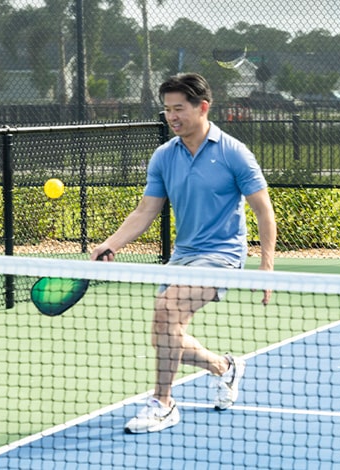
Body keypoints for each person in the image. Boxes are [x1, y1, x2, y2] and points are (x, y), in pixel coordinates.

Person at [92, 72, 277, 434]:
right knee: (164, 331)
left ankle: (163, 403)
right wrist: (111, 243)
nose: (172, 117)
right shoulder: (164, 156)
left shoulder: (233, 153)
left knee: (166, 311)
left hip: (222, 255)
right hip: (183, 255)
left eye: (179, 109)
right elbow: (146, 210)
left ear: (202, 107)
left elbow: (263, 209)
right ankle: (224, 367)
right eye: (167, 110)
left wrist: (266, 264)